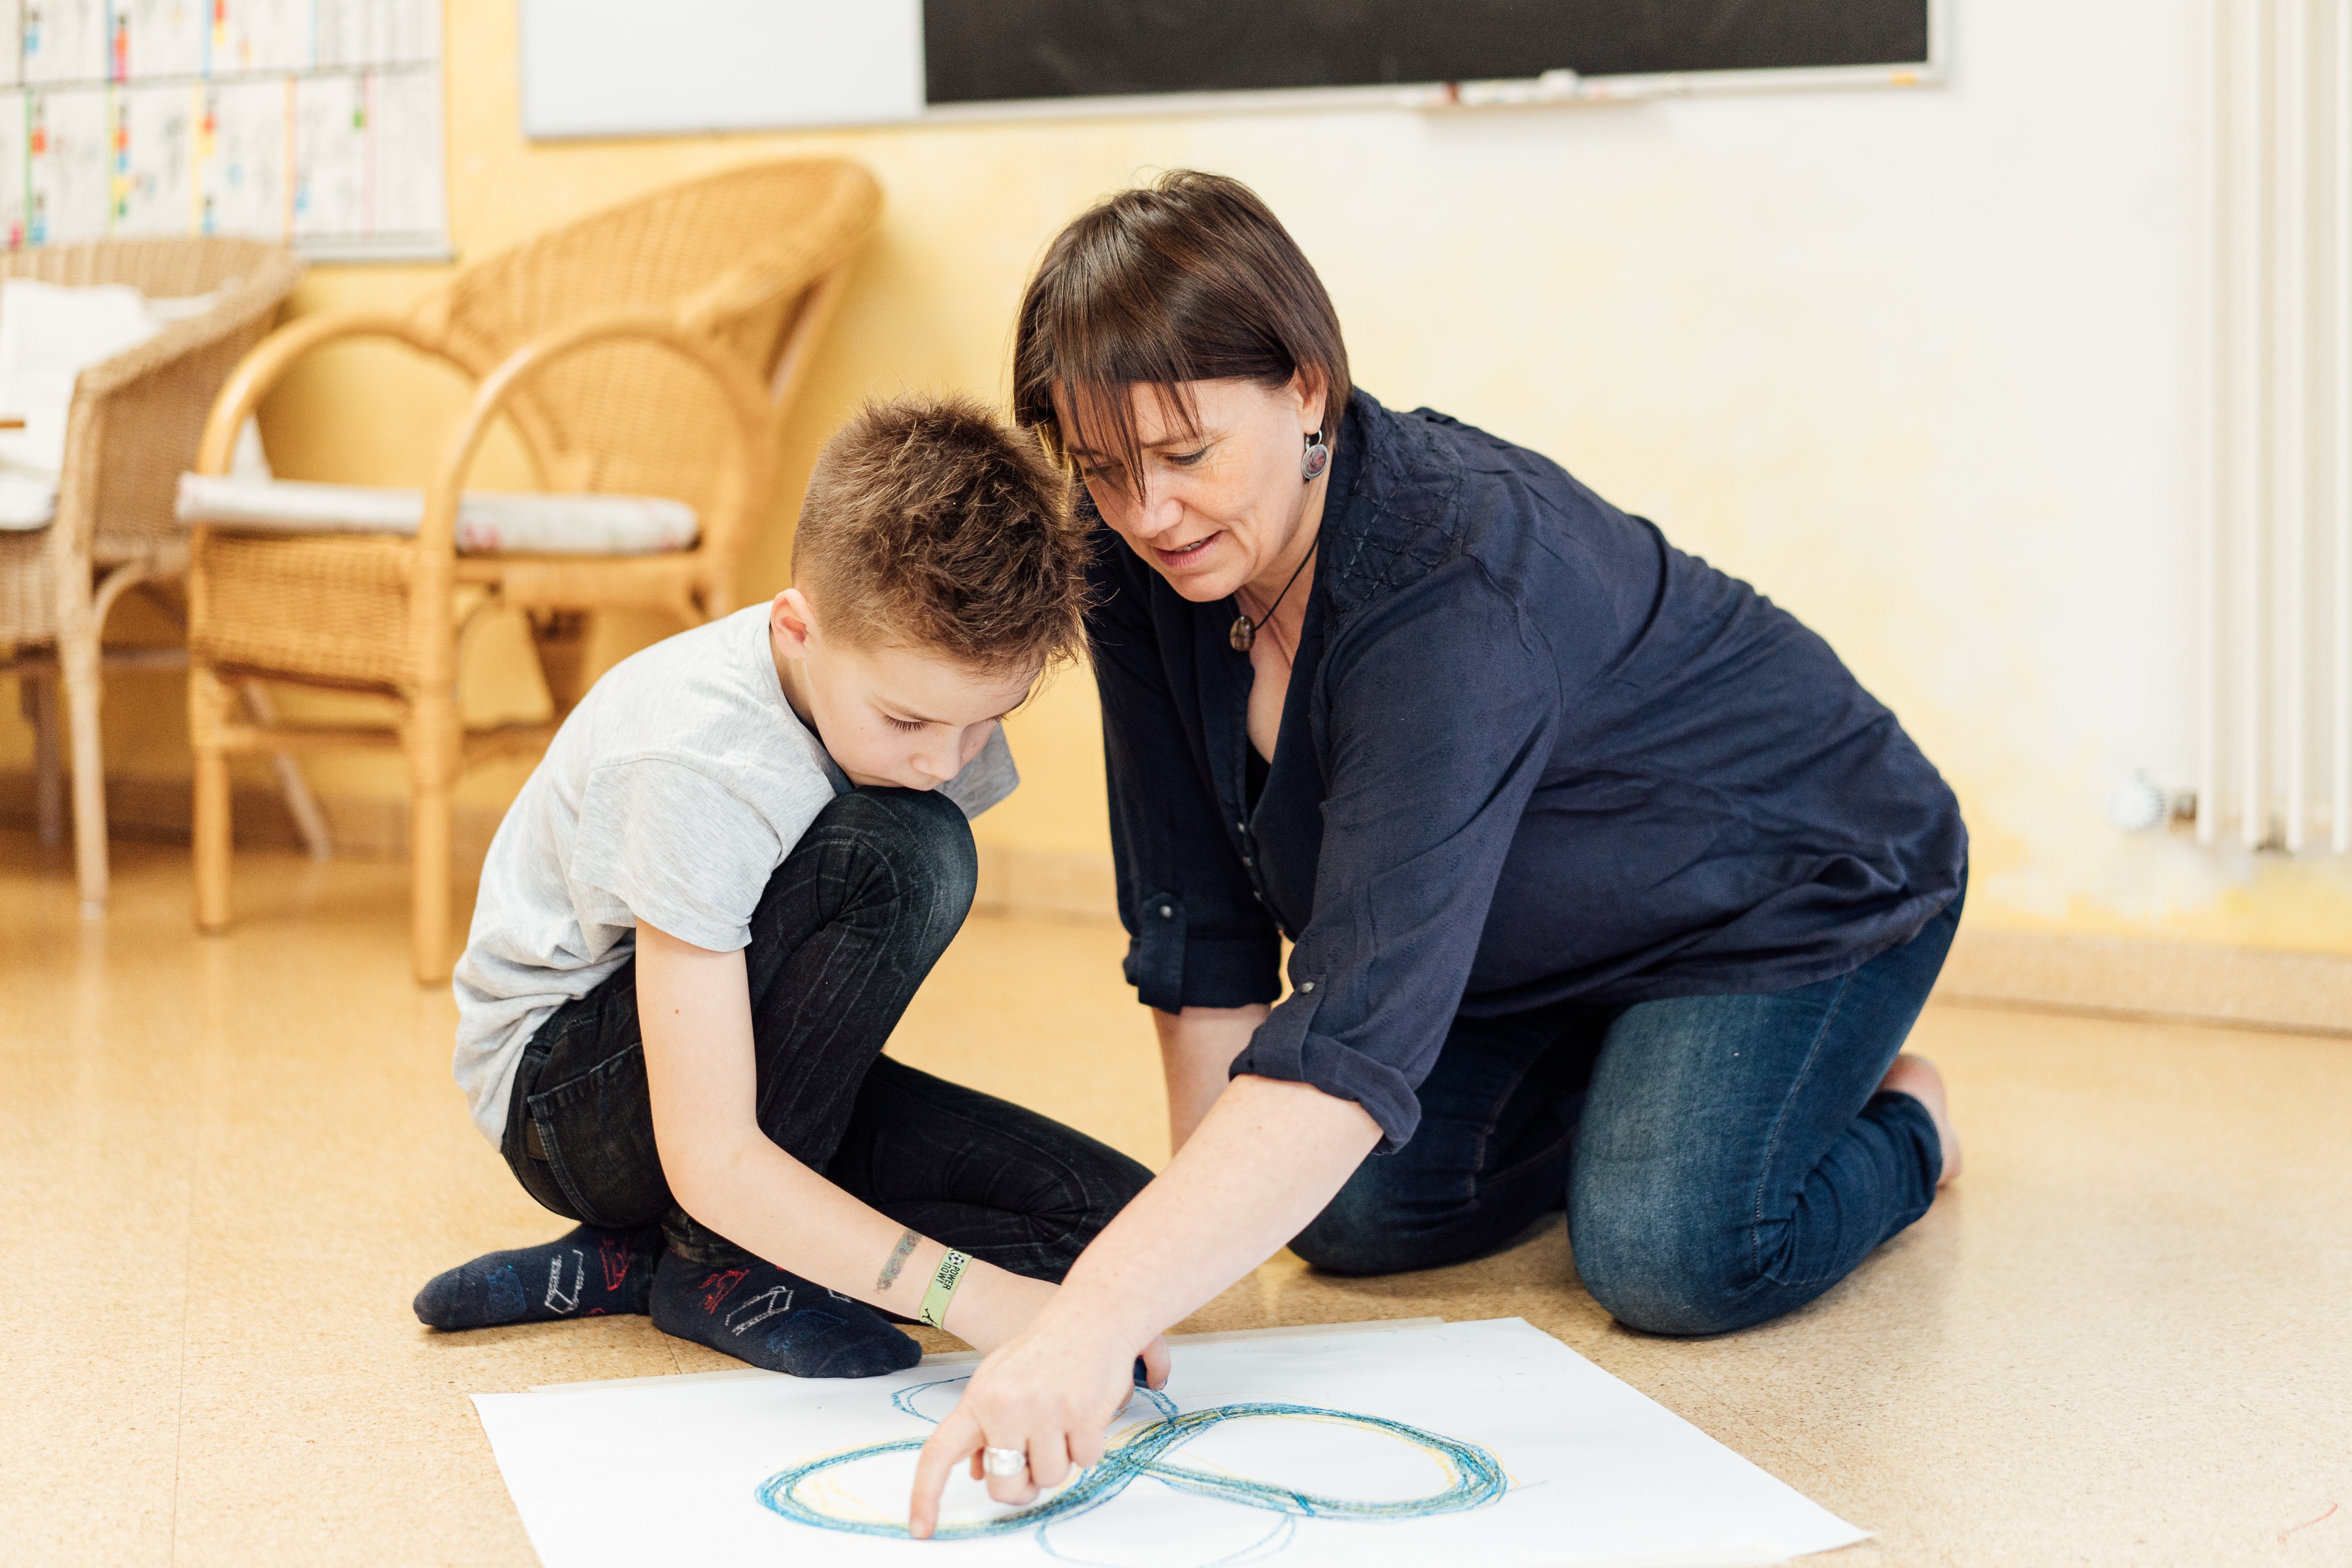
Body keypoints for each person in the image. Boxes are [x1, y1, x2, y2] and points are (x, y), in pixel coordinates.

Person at [906, 172, 1968, 1532]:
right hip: (1536, 933)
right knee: (1338, 1219)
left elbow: (1343, 1030)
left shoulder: (1450, 584)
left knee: (1670, 1256)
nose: (1147, 510)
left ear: (1306, 387)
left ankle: (1910, 1115)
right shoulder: (1138, 568)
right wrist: (1159, 1289)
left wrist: (1084, 1325)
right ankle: (1642, 1079)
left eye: (1182, 453)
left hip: (1792, 879)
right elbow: (1203, 928)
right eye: (1101, 468)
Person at [414, 395, 1161, 1382]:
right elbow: (715, 1142)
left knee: (1114, 1232)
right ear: (798, 630)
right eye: (907, 722)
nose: (946, 759)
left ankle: (646, 1255)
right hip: (570, 1093)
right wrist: (968, 1298)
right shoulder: (698, 759)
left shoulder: (927, 702)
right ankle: (719, 1266)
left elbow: (819, 998)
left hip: (734, 1058)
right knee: (910, 850)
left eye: (985, 721)